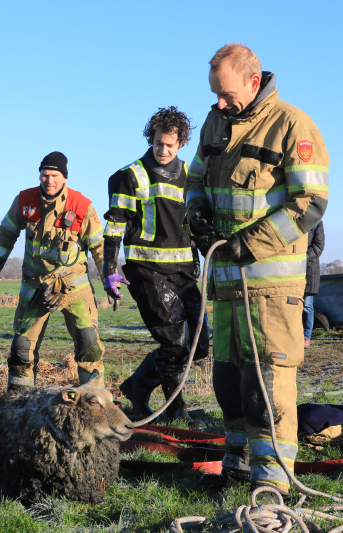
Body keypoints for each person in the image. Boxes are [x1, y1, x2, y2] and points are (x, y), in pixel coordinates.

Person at [185, 43, 329, 495]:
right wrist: (198, 218)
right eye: (216, 95)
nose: (221, 103)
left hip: (271, 285)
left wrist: (247, 245)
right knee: (229, 381)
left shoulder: (293, 125)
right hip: (226, 284)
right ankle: (238, 465)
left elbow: (309, 204)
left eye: (227, 94)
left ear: (253, 80)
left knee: (267, 385)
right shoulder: (215, 121)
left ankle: (272, 487)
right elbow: (194, 179)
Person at [102, 107, 209, 425]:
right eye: (158, 143)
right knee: (174, 345)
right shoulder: (129, 176)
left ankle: (137, 387)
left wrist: (203, 259)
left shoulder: (191, 175)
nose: (163, 150)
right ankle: (175, 415)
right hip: (146, 272)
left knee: (198, 345)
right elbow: (114, 227)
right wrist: (109, 269)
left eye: (170, 146)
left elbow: (194, 224)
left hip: (184, 273)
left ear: (181, 144)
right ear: (152, 139)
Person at [0, 152, 106, 391]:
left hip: (74, 287)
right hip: (35, 286)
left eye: (55, 175)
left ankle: (94, 403)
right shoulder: (24, 201)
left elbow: (99, 247)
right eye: (45, 174)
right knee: (22, 349)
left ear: (64, 178)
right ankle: (18, 405)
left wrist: (110, 280)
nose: (49, 180)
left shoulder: (82, 205)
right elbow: (6, 234)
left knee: (88, 343)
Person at [303, 221, 325, 347]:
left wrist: (302, 257)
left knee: (307, 305)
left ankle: (306, 336)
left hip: (309, 270)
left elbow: (319, 246)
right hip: (292, 268)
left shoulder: (317, 223)